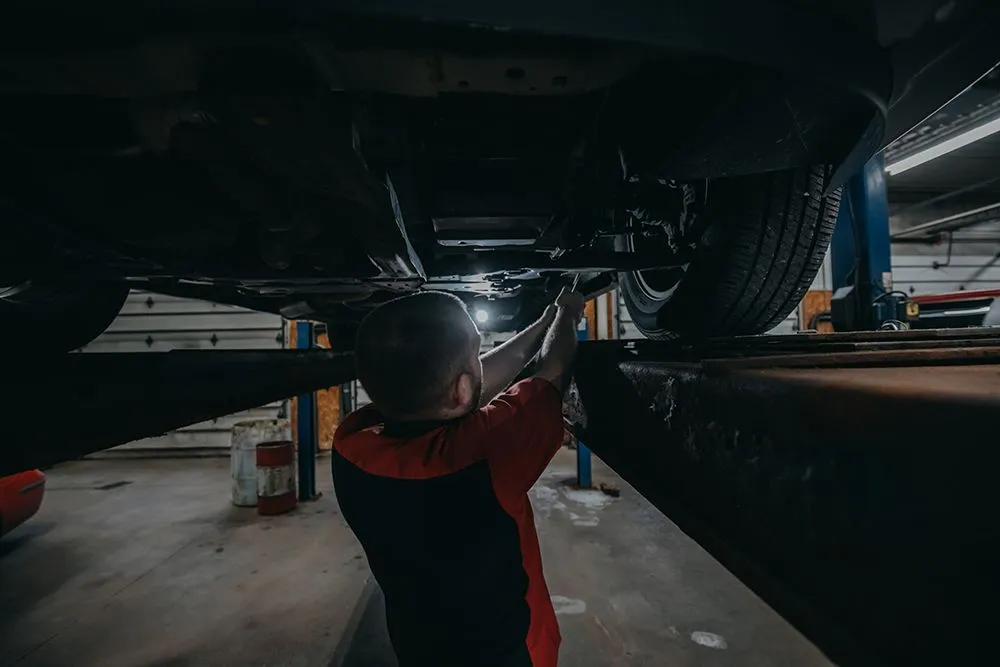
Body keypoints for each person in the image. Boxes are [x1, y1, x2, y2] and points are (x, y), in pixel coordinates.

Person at [331, 287, 586, 667]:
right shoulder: (487, 458)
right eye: (475, 354)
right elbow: (553, 372)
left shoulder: (349, 450)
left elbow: (460, 394)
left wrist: (542, 323)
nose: (480, 361)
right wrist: (567, 314)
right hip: (511, 655)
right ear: (463, 388)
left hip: (420, 651)